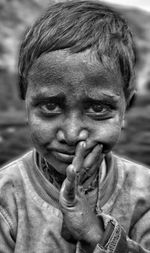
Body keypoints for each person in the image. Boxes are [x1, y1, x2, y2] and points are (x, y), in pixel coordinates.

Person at [0, 0, 150, 252]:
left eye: (98, 108)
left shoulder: (144, 194)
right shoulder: (6, 199)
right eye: (50, 106)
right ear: (26, 102)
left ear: (125, 109)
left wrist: (96, 234)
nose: (71, 134)